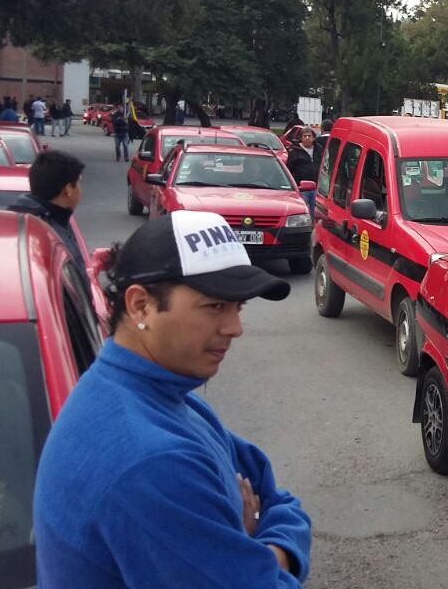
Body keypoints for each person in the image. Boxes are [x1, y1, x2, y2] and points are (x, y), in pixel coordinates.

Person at [34, 210, 311, 588]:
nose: (235, 328)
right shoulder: (150, 460)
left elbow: (277, 496)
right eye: (215, 306)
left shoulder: (164, 397)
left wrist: (250, 550)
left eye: (238, 307)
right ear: (140, 305)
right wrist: (266, 550)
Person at [8, 149, 88, 279]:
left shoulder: (20, 222)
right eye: (79, 183)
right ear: (68, 189)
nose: (81, 190)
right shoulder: (48, 234)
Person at [286, 128, 322, 215]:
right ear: (301, 138)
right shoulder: (295, 150)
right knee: (304, 212)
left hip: (317, 189)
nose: (307, 138)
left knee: (316, 213)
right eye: (304, 136)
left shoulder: (319, 149)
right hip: (302, 188)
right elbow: (289, 169)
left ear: (314, 138)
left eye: (309, 136)